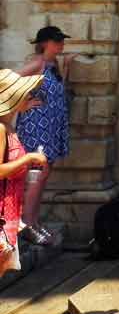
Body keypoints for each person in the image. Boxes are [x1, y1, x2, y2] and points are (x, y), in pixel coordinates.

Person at [16, 26, 76, 246]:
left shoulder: (54, 65)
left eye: (61, 40)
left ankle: (33, 221)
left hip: (50, 126)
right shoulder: (38, 63)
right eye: (57, 40)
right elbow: (7, 82)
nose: (61, 43)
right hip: (36, 127)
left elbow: (58, 92)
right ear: (44, 43)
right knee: (38, 174)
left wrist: (67, 69)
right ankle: (27, 224)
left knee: (42, 174)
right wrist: (21, 105)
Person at [0, 69, 48, 277]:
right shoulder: (1, 129)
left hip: (9, 210)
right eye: (24, 93)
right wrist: (28, 159)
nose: (29, 95)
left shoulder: (9, 126)